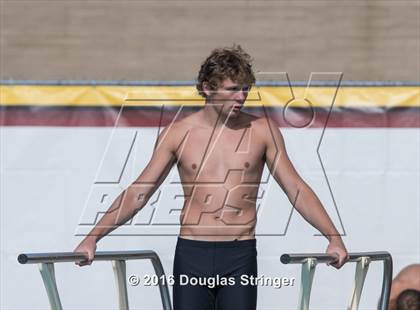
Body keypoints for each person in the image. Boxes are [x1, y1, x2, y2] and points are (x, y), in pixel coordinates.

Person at [74, 45, 348, 310]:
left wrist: (333, 236)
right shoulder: (178, 133)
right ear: (207, 87)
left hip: (239, 255)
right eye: (232, 89)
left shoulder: (263, 130)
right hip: (192, 254)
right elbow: (139, 193)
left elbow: (295, 188)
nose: (241, 97)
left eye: (245, 89)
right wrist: (93, 237)